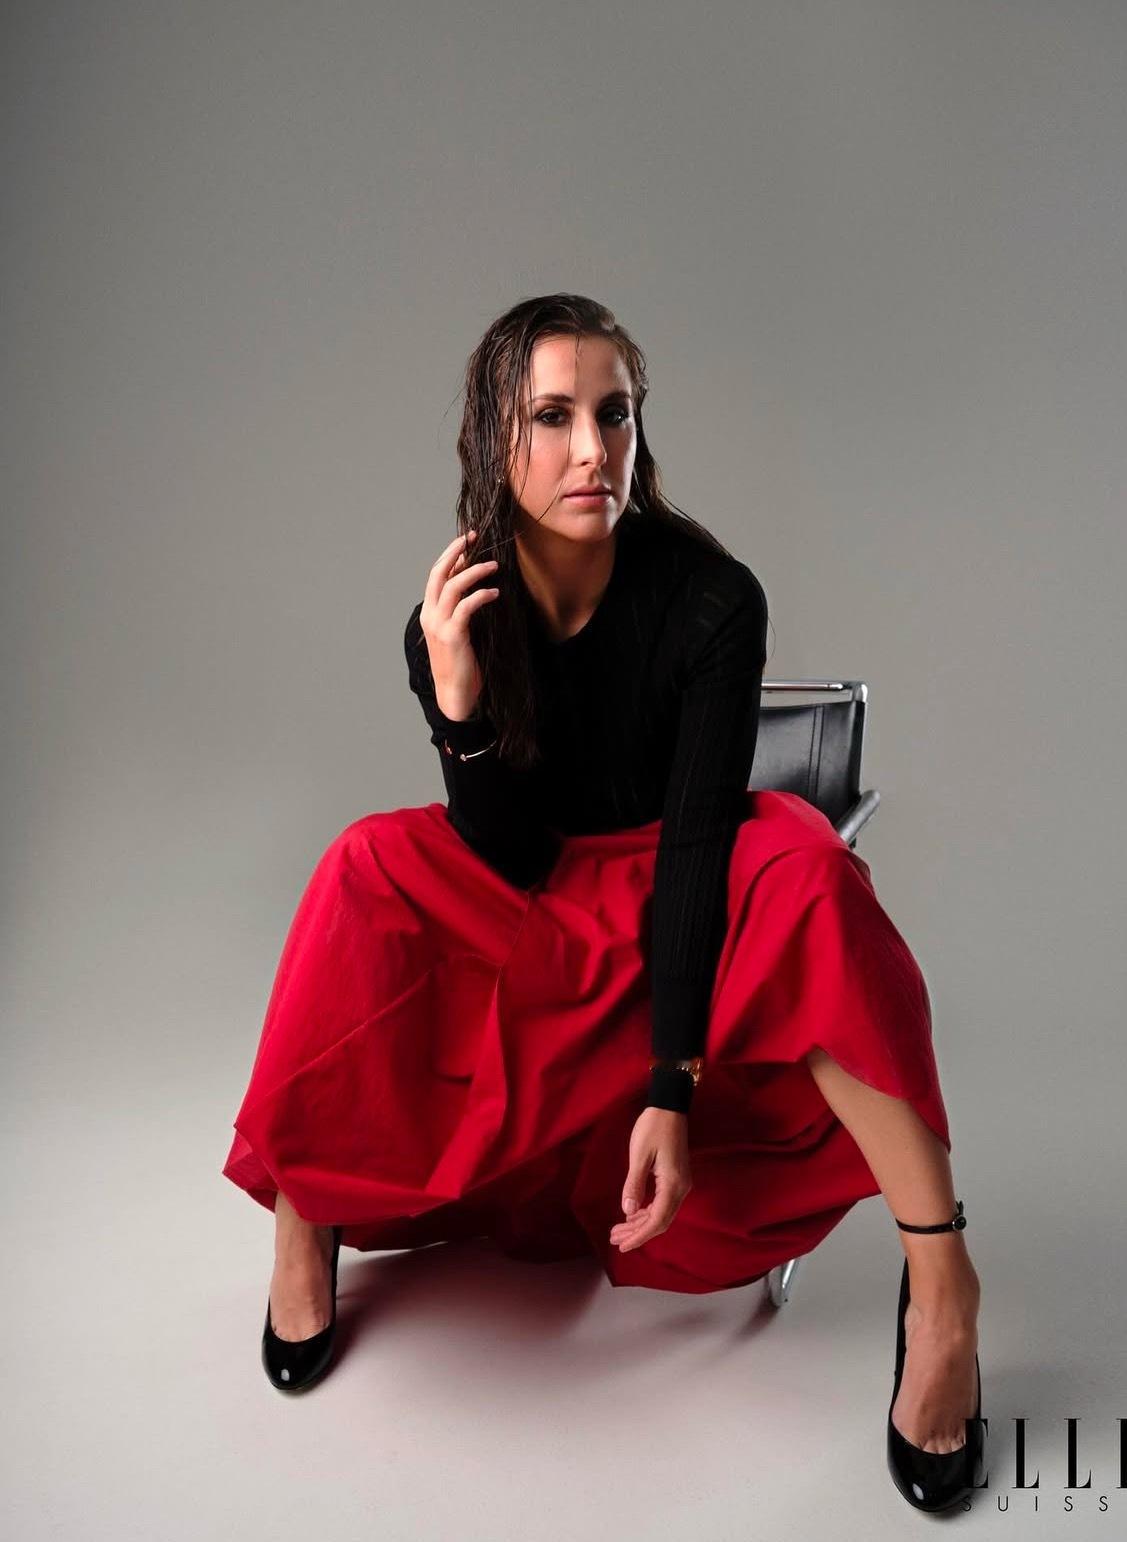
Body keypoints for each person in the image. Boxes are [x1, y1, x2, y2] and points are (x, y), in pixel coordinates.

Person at [222, 293, 983, 1511]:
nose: (593, 450)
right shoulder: (453, 614)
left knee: (803, 866)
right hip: (531, 891)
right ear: (495, 439)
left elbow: (698, 842)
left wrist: (671, 1084)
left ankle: (942, 1285)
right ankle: (302, 1215)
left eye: (614, 414)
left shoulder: (712, 597)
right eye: (553, 417)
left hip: (677, 882)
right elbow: (508, 853)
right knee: (361, 867)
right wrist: (460, 707)